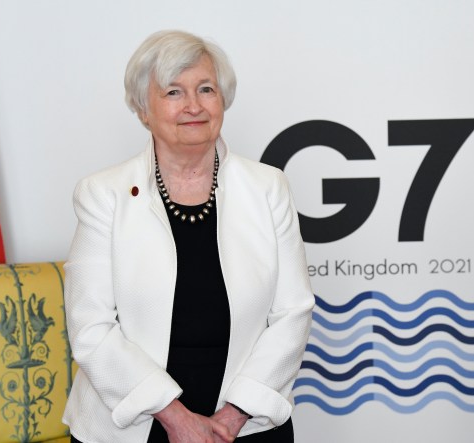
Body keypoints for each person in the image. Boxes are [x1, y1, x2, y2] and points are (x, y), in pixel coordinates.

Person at [62, 30, 314, 443]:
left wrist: (233, 417)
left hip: (246, 424)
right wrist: (177, 419)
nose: (194, 106)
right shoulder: (102, 194)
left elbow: (293, 312)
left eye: (206, 89)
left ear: (223, 100)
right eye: (174, 92)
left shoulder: (269, 187)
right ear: (144, 110)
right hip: (133, 424)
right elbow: (90, 327)